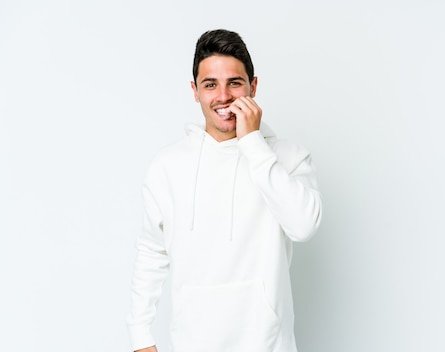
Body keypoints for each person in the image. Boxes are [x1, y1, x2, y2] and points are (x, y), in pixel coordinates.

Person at [126, 29, 322, 352]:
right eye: (210, 85)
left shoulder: (287, 157)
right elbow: (151, 251)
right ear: (195, 91)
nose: (223, 96)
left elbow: (304, 226)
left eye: (234, 82)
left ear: (253, 86)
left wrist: (252, 144)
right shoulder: (167, 167)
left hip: (268, 345)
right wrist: (140, 335)